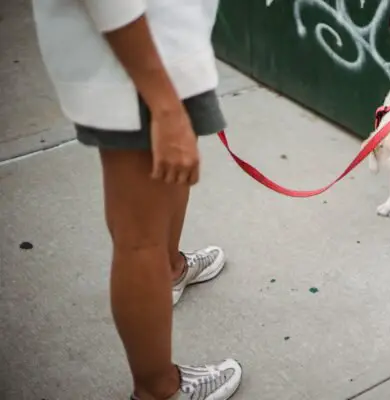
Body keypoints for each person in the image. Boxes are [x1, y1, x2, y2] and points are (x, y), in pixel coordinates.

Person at [31, 0, 242, 399]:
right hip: (136, 61)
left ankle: (172, 268)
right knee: (138, 237)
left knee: (171, 176)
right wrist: (163, 103)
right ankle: (158, 389)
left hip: (164, 48)